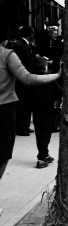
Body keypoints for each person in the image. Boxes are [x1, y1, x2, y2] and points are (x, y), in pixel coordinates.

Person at [0, 18, 62, 179]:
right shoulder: (7, 55)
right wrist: (56, 75)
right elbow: (27, 78)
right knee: (3, 153)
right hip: (3, 109)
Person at [28, 56, 63, 168]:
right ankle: (42, 157)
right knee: (46, 133)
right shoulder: (48, 79)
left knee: (40, 133)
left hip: (36, 109)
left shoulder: (32, 77)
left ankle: (44, 154)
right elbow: (60, 92)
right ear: (45, 67)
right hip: (47, 109)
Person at [12, 26, 35, 136]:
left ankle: (25, 125)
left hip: (26, 78)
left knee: (26, 103)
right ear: (31, 34)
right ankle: (21, 127)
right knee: (21, 104)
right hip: (22, 78)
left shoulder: (25, 44)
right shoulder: (19, 45)